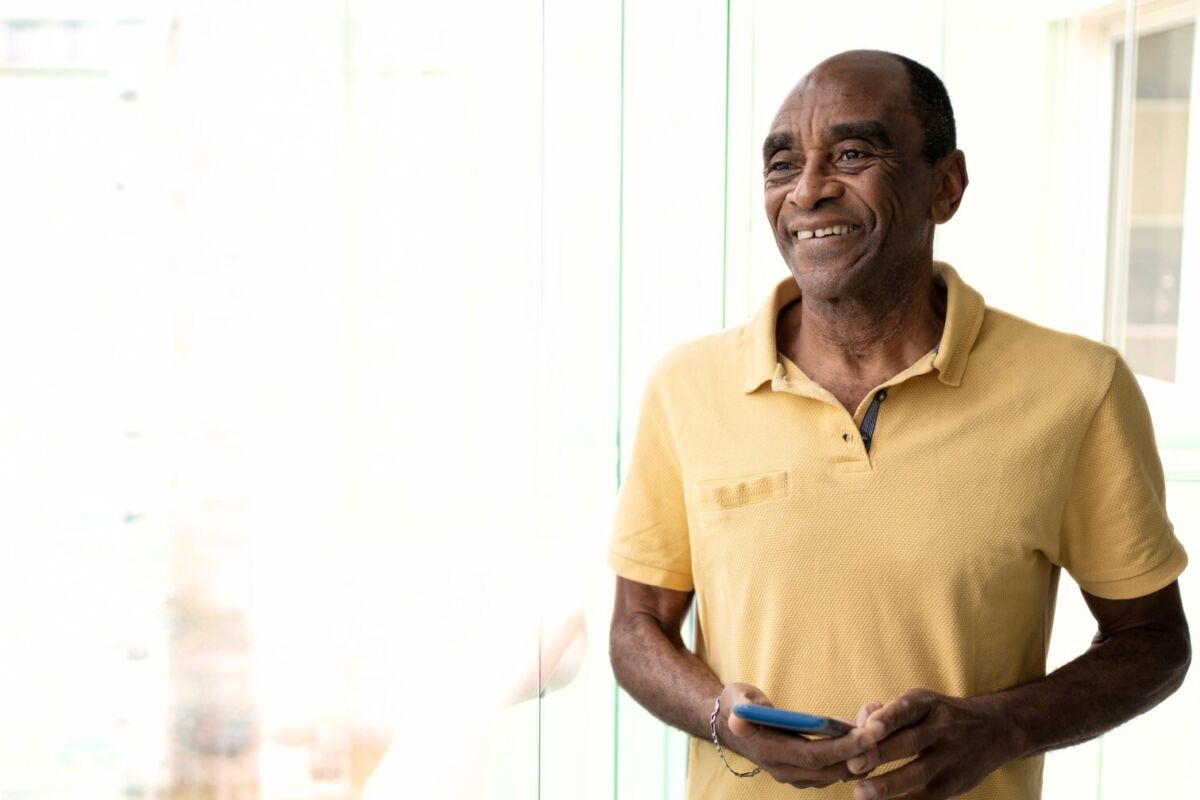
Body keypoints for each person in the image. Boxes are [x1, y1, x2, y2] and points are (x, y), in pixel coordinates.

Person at [607, 49, 1190, 800]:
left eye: (851, 154)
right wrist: (720, 715)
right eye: (782, 166)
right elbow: (636, 630)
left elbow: (1153, 641)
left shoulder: (1079, 389)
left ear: (943, 187)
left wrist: (1002, 727)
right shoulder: (686, 388)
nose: (809, 191)